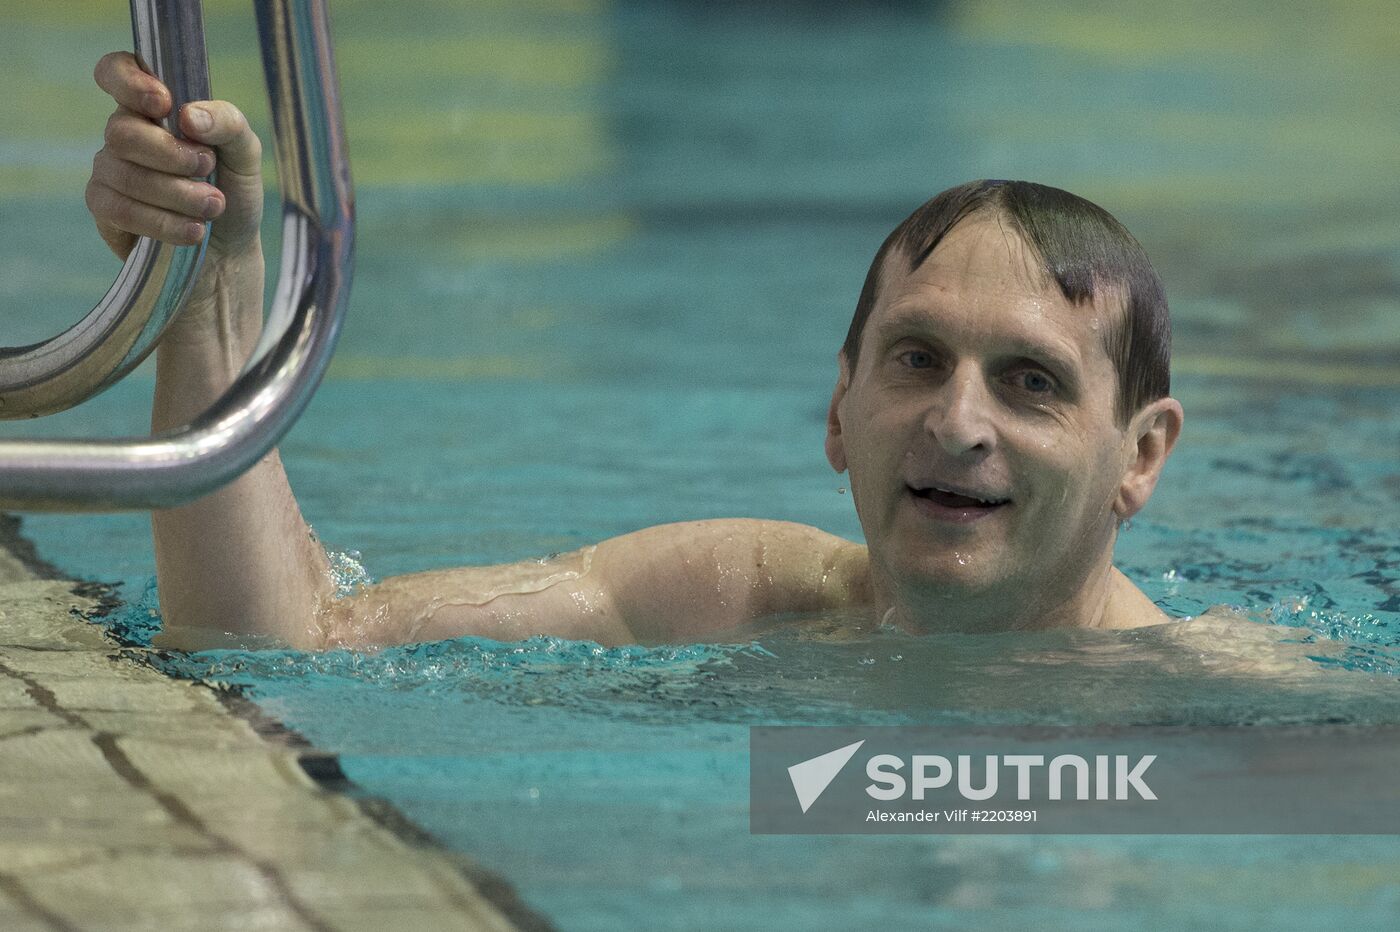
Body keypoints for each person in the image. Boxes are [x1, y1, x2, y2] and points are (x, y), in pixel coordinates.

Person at [85, 51, 1184, 652]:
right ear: (837, 410)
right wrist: (209, 280)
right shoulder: (737, 595)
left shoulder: (1220, 709)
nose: (956, 421)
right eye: (913, 358)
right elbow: (281, 639)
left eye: (1029, 380)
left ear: (1139, 455)